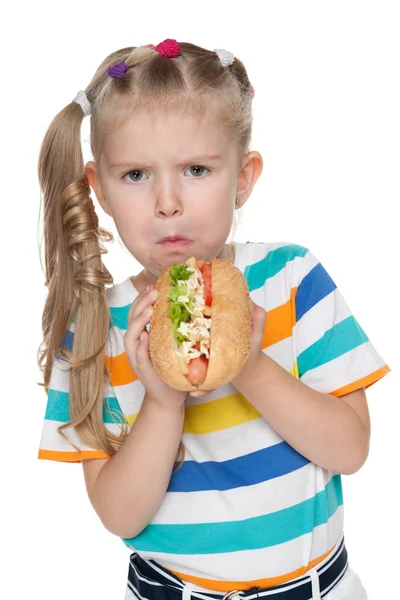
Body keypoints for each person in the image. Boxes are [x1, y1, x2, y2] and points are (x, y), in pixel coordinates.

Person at [37, 39, 390, 600]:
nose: (167, 202)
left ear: (243, 176)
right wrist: (163, 400)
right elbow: (119, 515)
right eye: (135, 175)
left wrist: (247, 364)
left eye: (196, 169)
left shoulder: (291, 279)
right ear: (98, 188)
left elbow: (351, 450)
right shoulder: (96, 329)